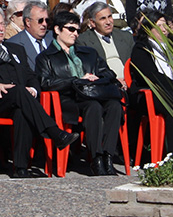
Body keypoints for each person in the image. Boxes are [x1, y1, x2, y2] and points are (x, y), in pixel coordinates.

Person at [0, 5, 79, 178]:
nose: (0, 28)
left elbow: (31, 76)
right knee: (19, 93)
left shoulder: (15, 49)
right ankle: (54, 132)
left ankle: (21, 168)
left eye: (2, 24)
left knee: (22, 108)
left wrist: (34, 90)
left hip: (20, 99)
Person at [36, 9, 124, 175]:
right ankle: (96, 157)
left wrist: (96, 78)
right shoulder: (46, 57)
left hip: (94, 93)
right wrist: (76, 81)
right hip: (69, 99)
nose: (75, 34)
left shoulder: (88, 52)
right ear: (57, 30)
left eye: (77, 30)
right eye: (71, 29)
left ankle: (108, 156)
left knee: (114, 106)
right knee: (94, 107)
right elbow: (46, 83)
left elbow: (108, 73)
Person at [127, 17, 173, 161]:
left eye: (165, 25)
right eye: (159, 26)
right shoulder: (141, 48)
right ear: (148, 30)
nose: (164, 29)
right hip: (151, 94)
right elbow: (150, 75)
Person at [78, 2, 134, 84]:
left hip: (130, 82)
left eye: (110, 17)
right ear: (92, 23)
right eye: (103, 19)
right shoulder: (84, 41)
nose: (108, 22)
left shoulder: (125, 36)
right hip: (106, 85)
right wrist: (115, 81)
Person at [4, 0, 50, 73]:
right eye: (40, 20)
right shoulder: (13, 44)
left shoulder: (53, 37)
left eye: (47, 20)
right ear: (28, 22)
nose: (44, 24)